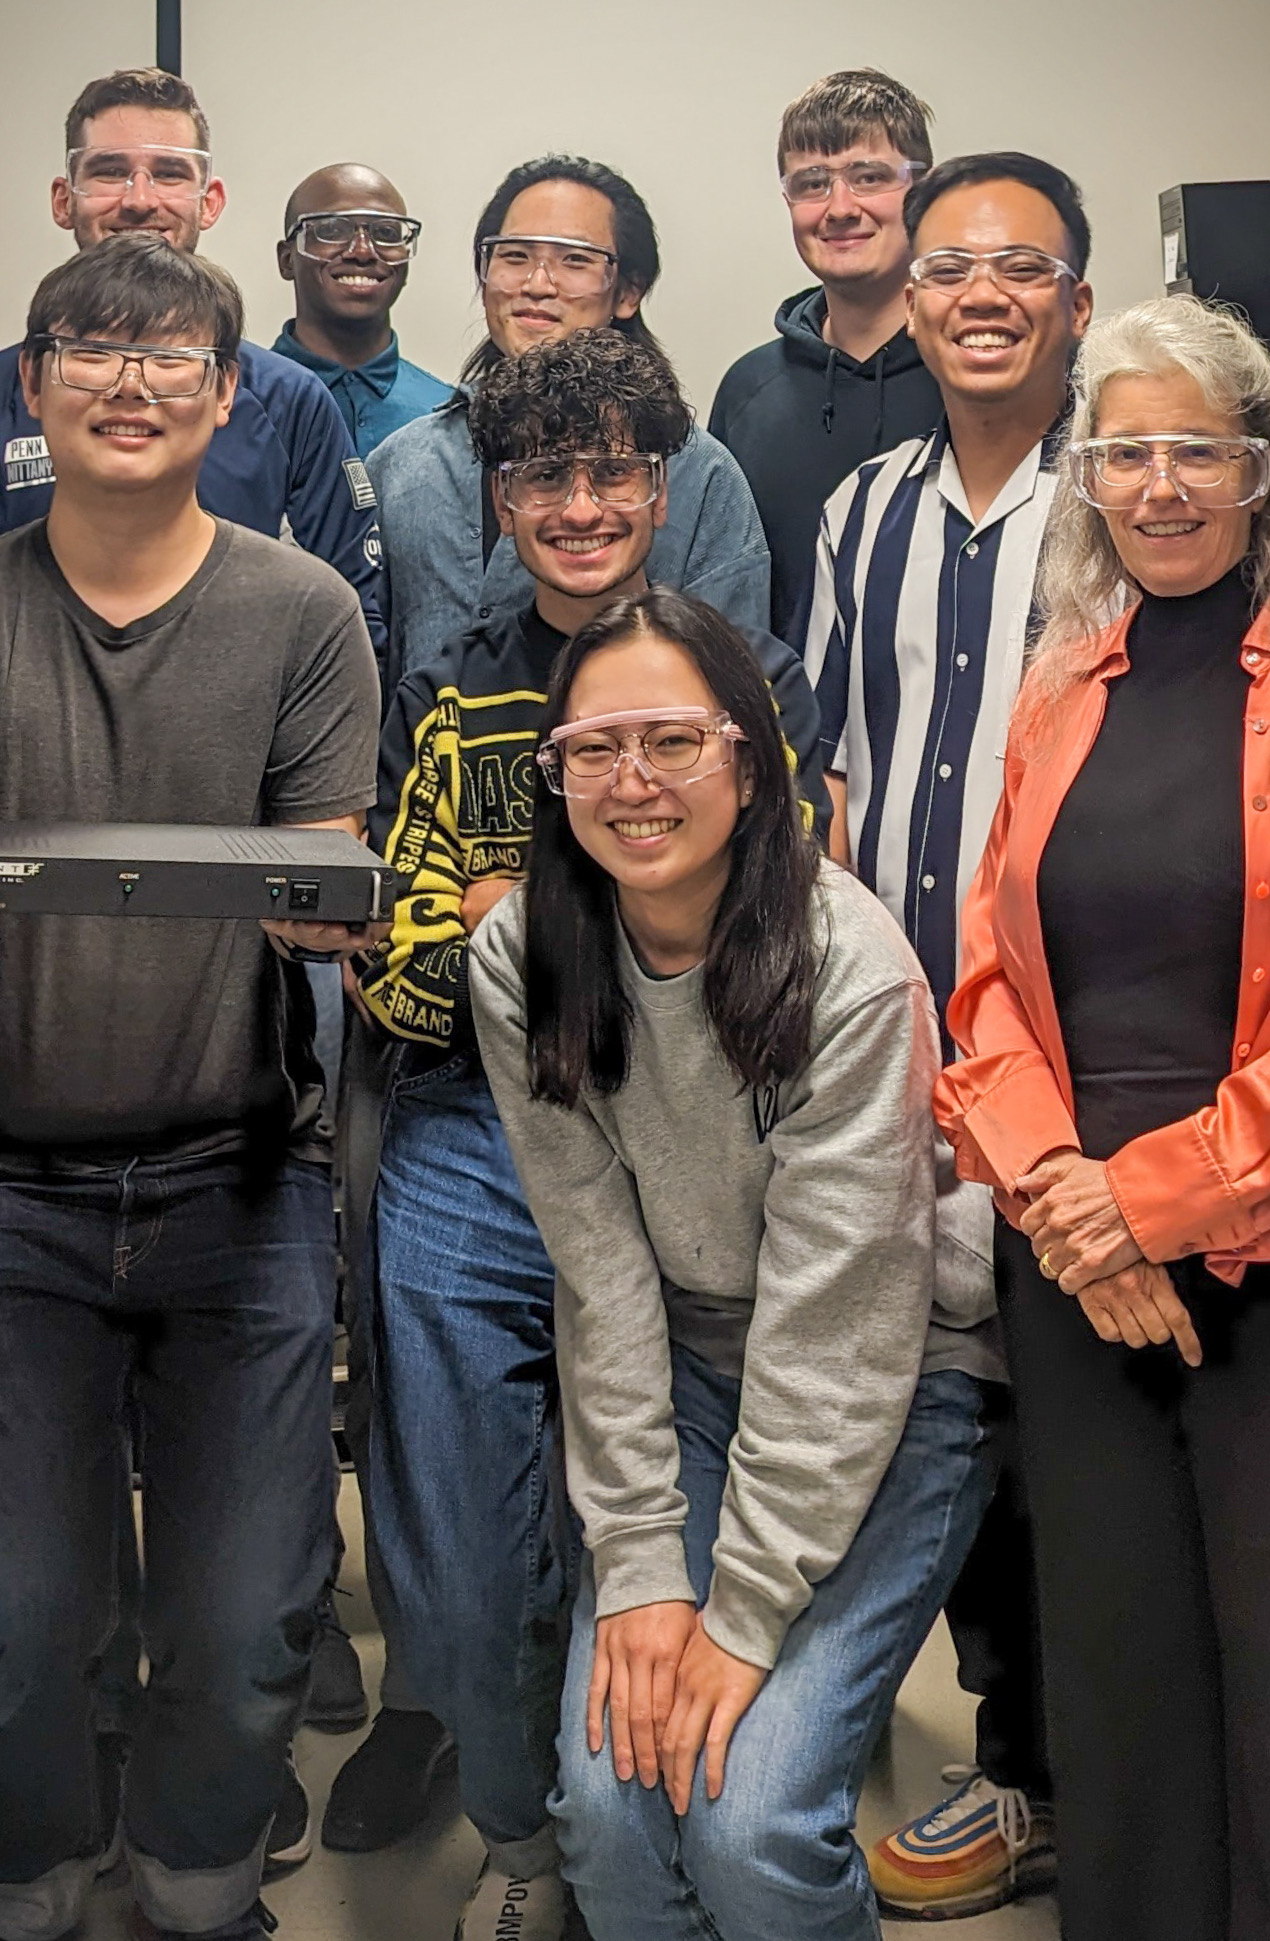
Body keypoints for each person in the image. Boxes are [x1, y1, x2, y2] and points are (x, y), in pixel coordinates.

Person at [0, 233, 381, 1941]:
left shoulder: (305, 612)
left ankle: (201, 1885)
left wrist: (324, 911)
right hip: (5, 1180)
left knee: (241, 1622)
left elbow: (323, 886)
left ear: (230, 397)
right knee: (6, 1615)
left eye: (169, 358)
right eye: (91, 348)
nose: (129, 381)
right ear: (30, 387)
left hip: (241, 1178)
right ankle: (7, 1889)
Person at [936, 294, 1270, 1940]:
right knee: (1124, 1711)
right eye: (1125, 452)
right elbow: (987, 988)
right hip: (1077, 1260)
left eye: (1194, 451)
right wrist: (1061, 1202)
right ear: (1088, 475)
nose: (1158, 485)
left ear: (1264, 469)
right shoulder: (1054, 689)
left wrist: (1150, 1203)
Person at [356, 330, 829, 1941]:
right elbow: (405, 977)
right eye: (543, 475)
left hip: (695, 1135)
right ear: (498, 500)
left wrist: (530, 905)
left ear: (662, 486)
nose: (579, 504)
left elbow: (778, 934)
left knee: (660, 1516)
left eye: (611, 470)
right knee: (458, 1546)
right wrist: (589, 914)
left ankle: (670, 1800)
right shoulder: (452, 689)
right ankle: (524, 1840)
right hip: (474, 1139)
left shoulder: (740, 684)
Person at [465, 587, 1001, 1941]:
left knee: (750, 1816)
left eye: (671, 742)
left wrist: (744, 1610)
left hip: (893, 1377)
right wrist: (644, 1567)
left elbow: (842, 1330)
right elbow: (598, 1272)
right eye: (592, 750)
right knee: (606, 1800)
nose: (631, 784)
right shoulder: (523, 956)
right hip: (692, 1372)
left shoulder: (851, 970)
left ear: (748, 763)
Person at [803, 149, 1093, 1920]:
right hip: (896, 1037)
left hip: (1075, 1046)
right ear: (909, 301)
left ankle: (1062, 1766)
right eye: (951, 268)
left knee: (1075, 1422)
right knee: (940, 1405)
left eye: (1019, 266)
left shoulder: (1122, 500)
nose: (980, 294)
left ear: (1071, 295)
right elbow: (831, 773)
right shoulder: (865, 511)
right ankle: (1006, 1755)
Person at [0, 67, 384, 665]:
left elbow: (355, 628)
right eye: (110, 172)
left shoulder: (289, 401)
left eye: (169, 174)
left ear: (208, 201)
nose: (140, 200)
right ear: (65, 200)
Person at [368, 155, 768, 686]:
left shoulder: (701, 472)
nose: (537, 284)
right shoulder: (402, 463)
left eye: (575, 261)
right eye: (513, 256)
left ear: (628, 291)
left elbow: (738, 690)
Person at [709, 69, 945, 644]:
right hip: (790, 727)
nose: (840, 207)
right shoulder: (749, 391)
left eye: (869, 177)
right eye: (812, 183)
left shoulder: (977, 375)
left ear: (925, 190)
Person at [270, 163, 455, 456]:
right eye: (331, 230)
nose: (362, 251)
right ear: (286, 259)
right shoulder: (237, 400)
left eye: (386, 232)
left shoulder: (448, 416)